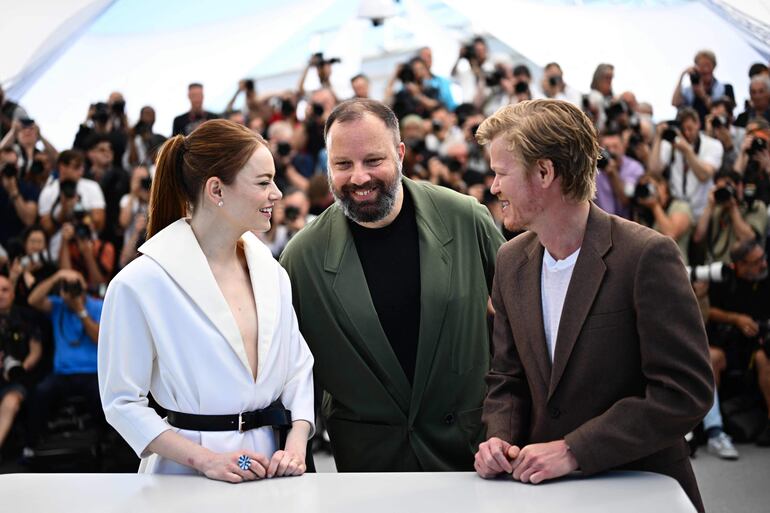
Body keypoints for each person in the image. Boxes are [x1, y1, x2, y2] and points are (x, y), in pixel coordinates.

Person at [473, 99, 713, 512]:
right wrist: (501, 438)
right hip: (544, 493)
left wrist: (575, 449)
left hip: (641, 488)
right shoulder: (510, 260)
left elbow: (684, 392)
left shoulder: (646, 255)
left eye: (500, 173)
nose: (493, 187)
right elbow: (507, 378)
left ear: (545, 172)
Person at [280, 99, 504, 471]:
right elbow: (293, 380)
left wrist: (510, 425)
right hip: (369, 469)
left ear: (400, 153)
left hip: (472, 457)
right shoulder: (301, 258)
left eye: (373, 160)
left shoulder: (466, 219)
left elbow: (524, 325)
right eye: (343, 165)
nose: (359, 178)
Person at [98, 119, 314, 482]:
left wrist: (296, 444)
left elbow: (297, 366)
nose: (277, 193)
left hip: (274, 471)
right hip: (184, 477)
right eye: (263, 182)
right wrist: (206, 460)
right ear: (216, 190)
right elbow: (121, 401)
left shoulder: (272, 272)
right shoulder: (140, 283)